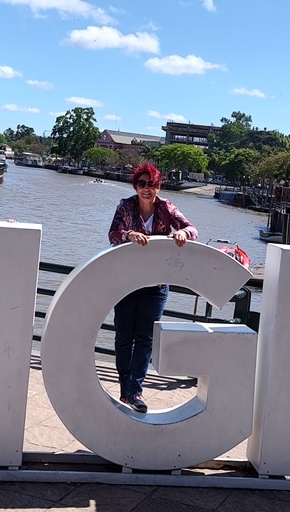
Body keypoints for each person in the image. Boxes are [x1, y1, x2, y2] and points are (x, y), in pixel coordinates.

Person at [107, 162, 198, 412]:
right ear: (135, 186)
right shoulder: (125, 206)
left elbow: (192, 228)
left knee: (144, 338)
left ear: (159, 186)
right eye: (142, 184)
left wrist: (182, 234)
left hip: (155, 284)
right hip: (126, 282)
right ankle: (126, 388)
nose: (146, 189)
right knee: (124, 338)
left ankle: (135, 392)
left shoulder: (166, 207)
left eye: (152, 184)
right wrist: (129, 235)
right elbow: (113, 234)